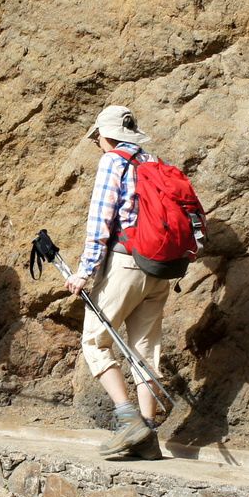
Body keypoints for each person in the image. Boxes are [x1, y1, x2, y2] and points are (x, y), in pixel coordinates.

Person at [66, 105, 173, 462]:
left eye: (97, 136)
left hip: (125, 264)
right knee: (144, 351)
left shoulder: (113, 161)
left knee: (95, 342)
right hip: (159, 268)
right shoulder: (152, 160)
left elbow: (101, 221)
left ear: (106, 134)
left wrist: (84, 271)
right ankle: (148, 436)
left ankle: (128, 420)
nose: (97, 142)